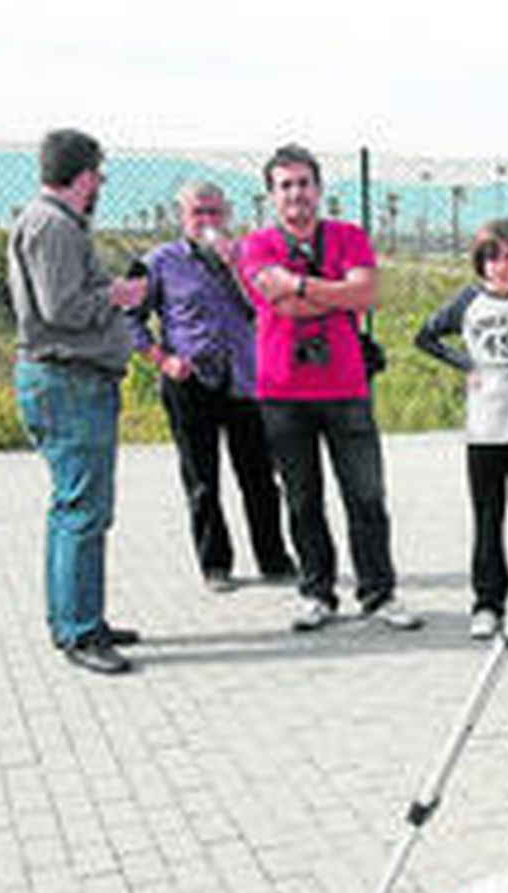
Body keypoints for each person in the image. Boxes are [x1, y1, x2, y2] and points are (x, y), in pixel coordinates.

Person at [239, 144, 420, 633]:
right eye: (285, 185)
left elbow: (363, 294)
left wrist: (296, 285)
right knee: (302, 500)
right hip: (282, 392)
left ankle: (379, 594)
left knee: (365, 496)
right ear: (272, 195)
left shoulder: (348, 236)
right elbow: (281, 304)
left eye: (304, 183)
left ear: (319, 189)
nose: (296, 193)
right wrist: (330, 294)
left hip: (345, 388)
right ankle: (317, 593)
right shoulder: (255, 246)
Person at [7, 128, 147, 675]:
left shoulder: (51, 223)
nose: (100, 185)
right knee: (81, 510)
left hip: (71, 381)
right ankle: (78, 631)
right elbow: (61, 306)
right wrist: (118, 295)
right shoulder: (53, 225)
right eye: (99, 176)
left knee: (78, 507)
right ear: (85, 175)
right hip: (68, 382)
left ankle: (80, 616)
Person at [128, 181, 295, 592]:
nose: (207, 221)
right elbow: (128, 317)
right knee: (202, 479)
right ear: (182, 218)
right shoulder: (159, 263)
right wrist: (162, 358)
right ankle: (215, 564)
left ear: (228, 215)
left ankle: (274, 559)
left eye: (215, 213)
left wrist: (235, 266)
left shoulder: (248, 258)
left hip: (243, 380)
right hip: (192, 382)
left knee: (259, 476)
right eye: (197, 213)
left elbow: (268, 308)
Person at [415, 219, 508, 642]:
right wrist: (466, 365)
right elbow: (426, 336)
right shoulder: (468, 302)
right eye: (493, 257)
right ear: (481, 263)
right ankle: (487, 604)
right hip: (485, 431)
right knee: (487, 520)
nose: (502, 266)